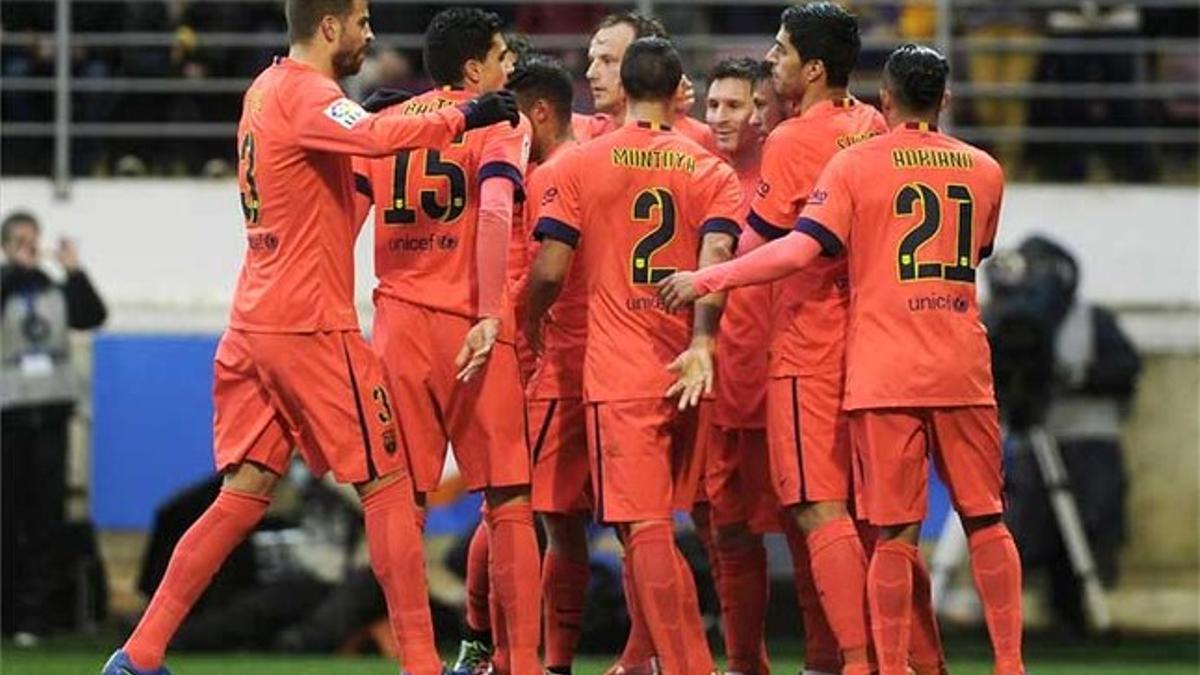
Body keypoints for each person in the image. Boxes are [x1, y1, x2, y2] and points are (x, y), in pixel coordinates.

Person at [100, 0, 520, 670]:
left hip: (252, 322)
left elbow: (348, 168)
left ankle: (139, 652)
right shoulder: (305, 92)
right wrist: (468, 112)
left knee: (243, 491)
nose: (371, 33)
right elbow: (376, 143)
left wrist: (381, 115)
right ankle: (420, 663)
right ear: (330, 26)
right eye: (361, 21)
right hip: (309, 324)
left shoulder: (263, 89)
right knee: (388, 482)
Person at [659, 43, 1026, 675]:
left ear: (886, 99)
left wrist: (707, 280)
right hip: (963, 363)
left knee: (890, 531)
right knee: (987, 519)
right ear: (945, 99)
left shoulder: (856, 165)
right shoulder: (985, 169)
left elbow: (799, 251)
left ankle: (869, 664)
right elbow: (976, 250)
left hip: (881, 365)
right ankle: (1010, 664)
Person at [526, 37, 743, 675]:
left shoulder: (578, 165)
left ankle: (686, 666)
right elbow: (718, 261)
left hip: (617, 371)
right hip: (687, 366)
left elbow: (550, 267)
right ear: (679, 90)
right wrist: (703, 340)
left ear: (623, 84)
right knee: (660, 530)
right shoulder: (710, 169)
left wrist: (525, 317)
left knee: (641, 529)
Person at [353, 8, 541, 674]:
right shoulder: (500, 120)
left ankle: (418, 661)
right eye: (498, 54)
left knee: (402, 500)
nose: (508, 65)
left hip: (399, 325)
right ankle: (521, 662)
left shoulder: (389, 122)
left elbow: (346, 208)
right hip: (472, 323)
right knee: (511, 499)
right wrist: (491, 311)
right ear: (473, 70)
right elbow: (494, 208)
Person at [696, 56, 781, 675]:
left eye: (733, 105)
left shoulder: (791, 171)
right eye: (713, 104)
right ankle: (744, 662)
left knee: (812, 527)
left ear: (763, 109)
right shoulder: (697, 170)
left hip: (781, 383)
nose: (719, 116)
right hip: (715, 384)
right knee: (725, 532)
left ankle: (833, 661)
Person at [1, 211, 107, 643]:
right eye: (21, 240)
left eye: (34, 239)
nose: (31, 246)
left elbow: (91, 314)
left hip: (51, 414)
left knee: (46, 516)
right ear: (7, 246)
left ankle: (35, 616)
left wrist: (73, 270)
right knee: (7, 516)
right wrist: (13, 271)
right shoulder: (6, 288)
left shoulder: (54, 290)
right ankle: (6, 612)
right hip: (8, 415)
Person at [578, 11, 715, 150]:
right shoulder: (580, 133)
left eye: (608, 61)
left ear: (649, 64)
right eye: (592, 61)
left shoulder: (703, 139)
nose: (591, 74)